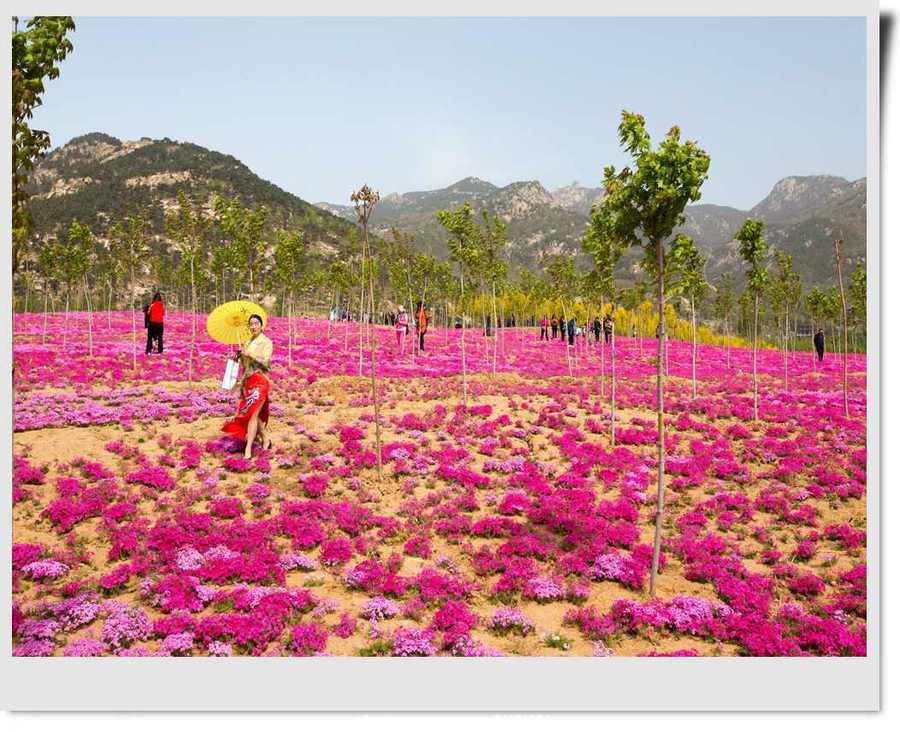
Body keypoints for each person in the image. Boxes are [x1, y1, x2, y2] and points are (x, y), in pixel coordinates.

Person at [222, 314, 273, 459]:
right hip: (248, 382)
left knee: (252, 415)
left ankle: (248, 450)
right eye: (250, 324)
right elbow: (245, 366)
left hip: (260, 381)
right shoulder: (247, 342)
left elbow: (266, 363)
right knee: (253, 414)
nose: (253, 326)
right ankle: (266, 439)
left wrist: (249, 354)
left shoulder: (266, 342)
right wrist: (240, 356)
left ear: (261, 325)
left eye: (256, 323)